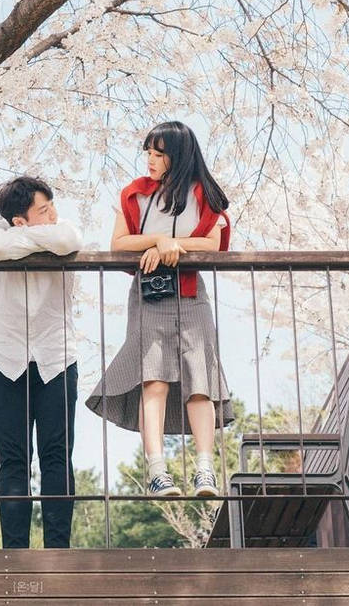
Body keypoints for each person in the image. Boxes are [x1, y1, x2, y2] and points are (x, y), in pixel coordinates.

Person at [86, 121, 233, 498]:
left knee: (200, 380)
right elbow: (119, 243)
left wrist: (175, 247)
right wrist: (158, 240)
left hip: (190, 295)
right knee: (154, 381)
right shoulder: (135, 194)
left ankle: (204, 470)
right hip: (150, 295)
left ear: (177, 155)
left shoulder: (203, 193)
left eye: (159, 153)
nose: (150, 160)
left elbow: (213, 243)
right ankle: (157, 472)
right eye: (148, 152)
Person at [0, 176, 83, 548]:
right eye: (43, 209)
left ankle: (58, 550)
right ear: (18, 219)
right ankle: (14, 552)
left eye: (52, 205)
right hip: (7, 360)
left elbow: (68, 241)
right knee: (13, 460)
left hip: (56, 358)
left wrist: (22, 239)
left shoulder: (63, 229)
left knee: (56, 456)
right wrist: (35, 240)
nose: (53, 214)